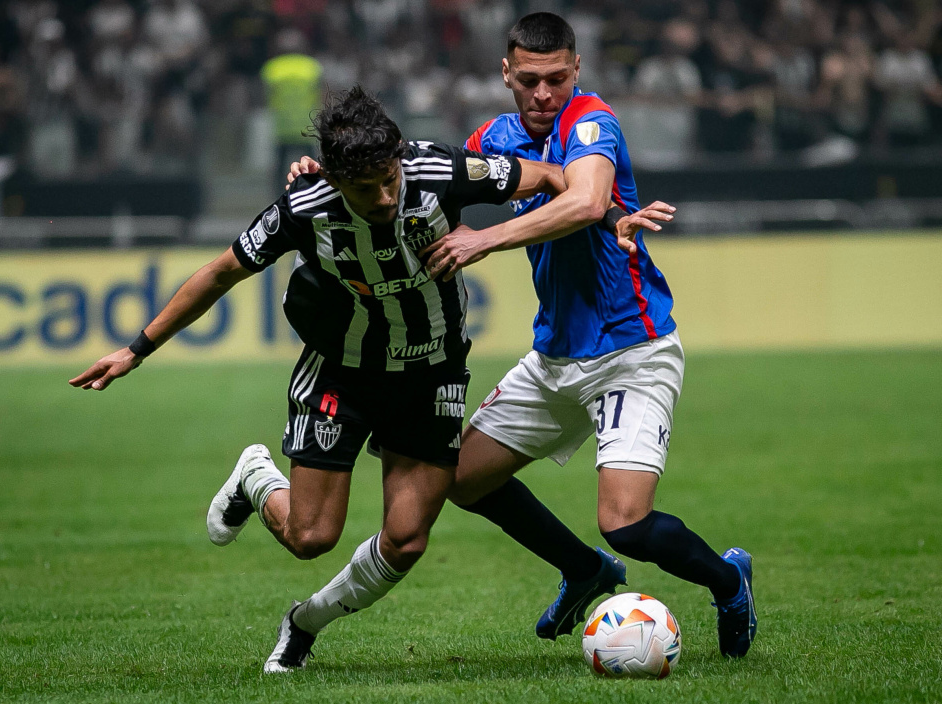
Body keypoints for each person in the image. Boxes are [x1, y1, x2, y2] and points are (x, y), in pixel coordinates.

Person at [69, 86, 594, 673]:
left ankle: (303, 624)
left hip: (432, 372)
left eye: (391, 177)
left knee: (406, 540)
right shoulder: (303, 207)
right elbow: (219, 274)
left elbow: (553, 177)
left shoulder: (443, 169)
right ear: (336, 180)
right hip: (341, 373)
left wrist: (607, 219)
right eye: (366, 189)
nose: (386, 196)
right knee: (310, 537)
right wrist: (137, 349)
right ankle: (255, 477)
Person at [427, 12, 757, 658]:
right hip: (553, 359)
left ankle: (729, 580)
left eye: (556, 79)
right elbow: (432, 186)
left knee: (624, 523)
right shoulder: (493, 138)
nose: (543, 94)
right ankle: (585, 571)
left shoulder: (592, 123)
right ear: (506, 75)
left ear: (576, 71)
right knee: (462, 479)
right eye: (529, 81)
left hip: (632, 351)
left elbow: (583, 202)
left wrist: (483, 239)